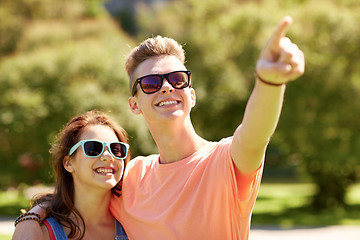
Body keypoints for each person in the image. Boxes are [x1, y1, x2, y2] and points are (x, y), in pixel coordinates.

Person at [13, 16, 304, 240]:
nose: (166, 88)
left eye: (177, 79)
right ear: (134, 105)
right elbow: (82, 185)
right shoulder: (133, 178)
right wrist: (33, 216)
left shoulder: (226, 160)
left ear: (191, 93)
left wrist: (269, 82)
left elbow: (256, 133)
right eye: (151, 84)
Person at [12, 110, 130, 240]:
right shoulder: (42, 234)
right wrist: (29, 221)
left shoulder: (134, 228)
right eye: (93, 148)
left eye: (116, 150)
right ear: (68, 163)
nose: (108, 157)